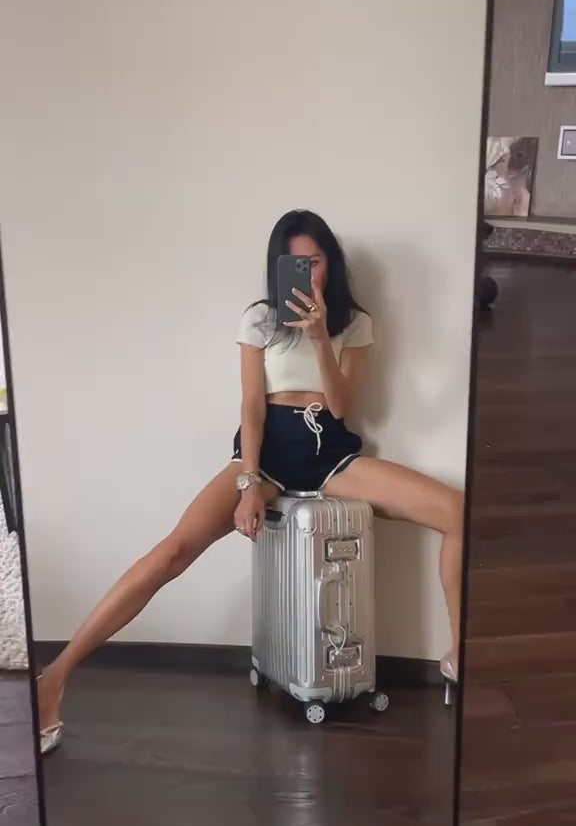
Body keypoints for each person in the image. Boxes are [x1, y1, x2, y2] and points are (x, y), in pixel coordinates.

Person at [37, 210, 463, 754]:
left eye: (316, 261)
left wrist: (319, 338)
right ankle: (54, 678)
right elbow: (251, 407)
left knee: (457, 511)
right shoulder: (260, 319)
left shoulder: (354, 324)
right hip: (268, 450)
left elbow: (342, 408)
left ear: (330, 263)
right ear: (278, 267)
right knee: (171, 553)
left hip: (329, 450)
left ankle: (459, 654)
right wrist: (248, 482)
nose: (308, 272)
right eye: (296, 263)